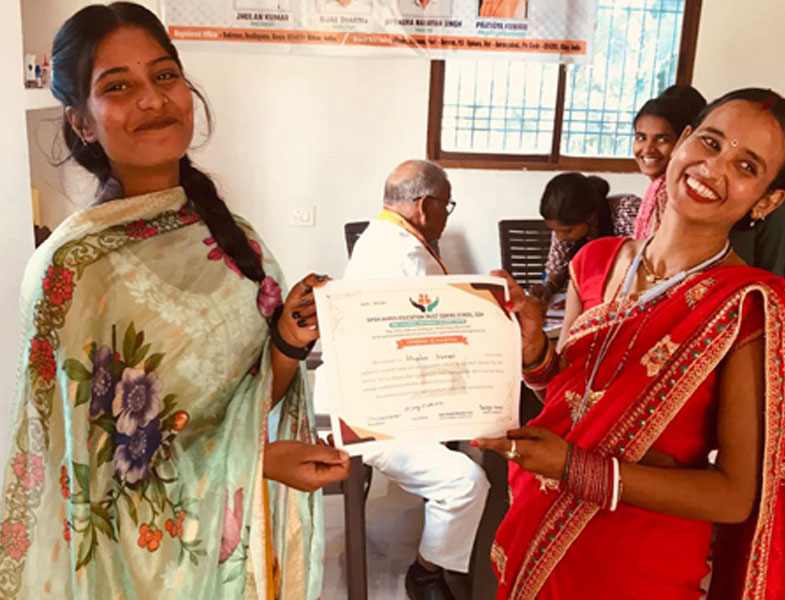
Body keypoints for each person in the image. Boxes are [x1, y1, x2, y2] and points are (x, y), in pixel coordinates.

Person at [0, 4, 349, 599]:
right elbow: (91, 484)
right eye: (118, 86)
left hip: (235, 554)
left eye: (165, 75)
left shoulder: (234, 239)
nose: (153, 99)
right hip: (143, 575)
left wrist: (288, 342)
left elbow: (250, 395)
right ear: (82, 123)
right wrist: (258, 462)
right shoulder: (74, 270)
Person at [474, 88, 785, 599]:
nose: (713, 169)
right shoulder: (595, 262)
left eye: (746, 166)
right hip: (535, 530)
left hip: (634, 568)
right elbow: (567, 396)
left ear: (767, 200)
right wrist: (535, 352)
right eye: (711, 142)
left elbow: (734, 496)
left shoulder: (747, 307)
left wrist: (576, 469)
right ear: (684, 140)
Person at [314, 160, 490, 600]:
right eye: (447, 205)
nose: (447, 214)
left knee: (473, 421)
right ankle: (426, 574)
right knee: (468, 480)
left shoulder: (380, 237)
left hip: (375, 394)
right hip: (371, 413)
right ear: (426, 206)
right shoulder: (405, 257)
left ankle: (452, 552)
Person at [540, 173, 639, 300]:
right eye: (554, 230)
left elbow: (635, 267)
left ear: (591, 218)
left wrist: (583, 298)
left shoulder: (625, 211)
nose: (559, 237)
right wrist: (548, 288)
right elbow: (556, 269)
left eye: (567, 231)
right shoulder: (564, 227)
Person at [632, 86, 706, 239]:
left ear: (684, 139)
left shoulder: (673, 192)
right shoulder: (659, 187)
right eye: (641, 137)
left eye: (662, 139)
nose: (648, 149)